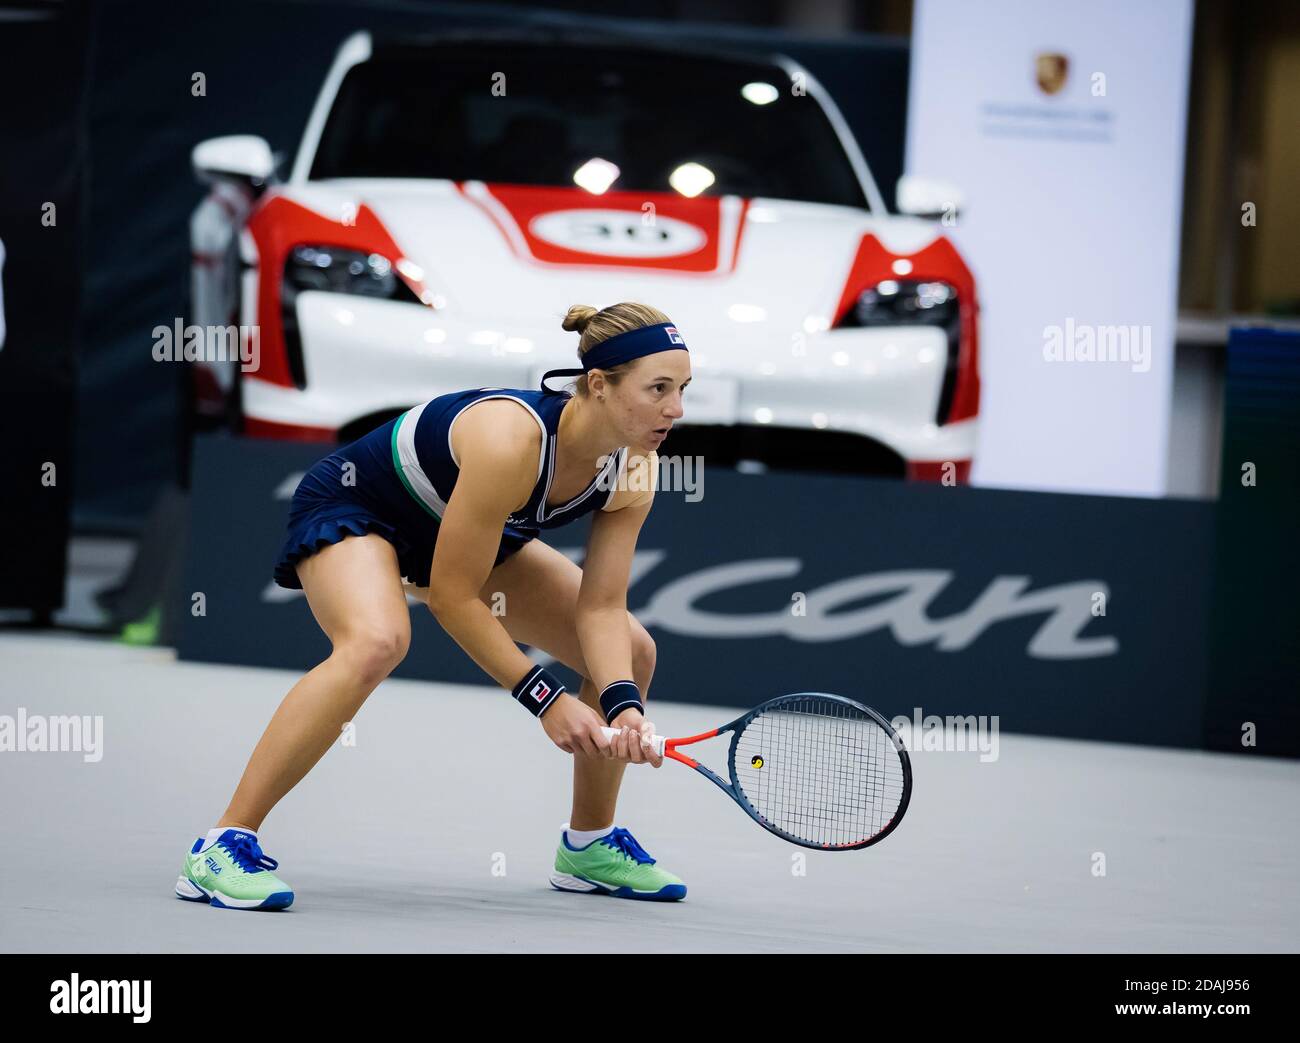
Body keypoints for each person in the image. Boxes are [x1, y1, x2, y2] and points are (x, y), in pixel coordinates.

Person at [174, 301, 693, 908]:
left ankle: (589, 845)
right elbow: (452, 596)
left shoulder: (637, 468)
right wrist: (546, 701)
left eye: (683, 389)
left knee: (631, 651)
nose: (675, 409)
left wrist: (622, 707)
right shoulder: (511, 438)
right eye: (658, 388)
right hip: (362, 510)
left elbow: (601, 608)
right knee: (376, 641)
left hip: (467, 533)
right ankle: (221, 845)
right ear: (599, 385)